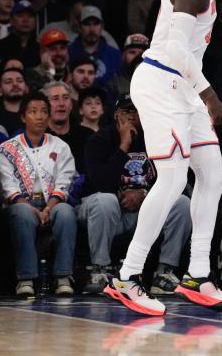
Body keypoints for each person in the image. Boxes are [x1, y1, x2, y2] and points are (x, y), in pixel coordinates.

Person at [105, 0, 222, 316]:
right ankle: (128, 277)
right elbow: (178, 49)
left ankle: (198, 274)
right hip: (164, 80)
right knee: (175, 176)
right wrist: (210, 95)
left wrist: (199, 94)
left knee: (213, 173)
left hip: (182, 85)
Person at [79, 95, 191, 296]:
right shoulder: (99, 140)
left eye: (135, 111)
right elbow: (101, 184)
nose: (131, 116)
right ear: (115, 115)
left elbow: (174, 182)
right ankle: (100, 270)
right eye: (125, 111)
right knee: (106, 200)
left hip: (143, 213)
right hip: (106, 211)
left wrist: (144, 193)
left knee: (181, 203)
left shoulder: (157, 141)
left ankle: (164, 273)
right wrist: (123, 146)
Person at [0, 92, 78, 296]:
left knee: (66, 212)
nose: (39, 117)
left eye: (43, 112)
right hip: (22, 205)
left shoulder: (60, 147)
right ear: (23, 117)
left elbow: (65, 181)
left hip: (53, 204)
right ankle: (26, 279)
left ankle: (63, 276)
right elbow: (8, 186)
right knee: (22, 212)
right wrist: (32, 208)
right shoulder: (6, 149)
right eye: (33, 112)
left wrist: (49, 207)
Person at [0, 66, 28, 135]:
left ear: (26, 88)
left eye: (20, 81)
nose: (15, 84)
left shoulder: (36, 112)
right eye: (8, 82)